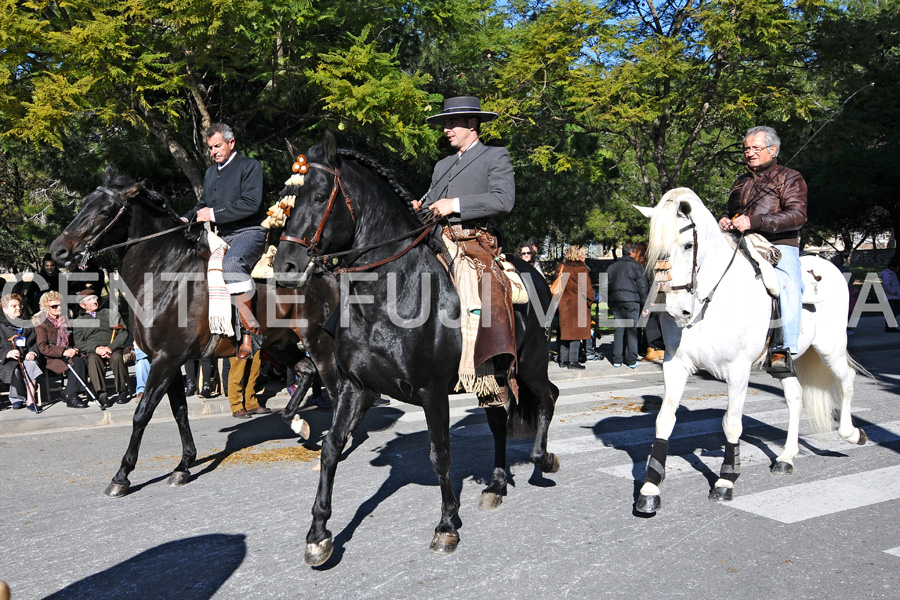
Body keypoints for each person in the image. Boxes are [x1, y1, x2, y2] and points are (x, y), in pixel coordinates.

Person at [412, 95, 516, 407]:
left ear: (473, 124)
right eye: (444, 122)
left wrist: (453, 205)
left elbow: (503, 200)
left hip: (473, 240)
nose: (446, 128)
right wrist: (420, 207)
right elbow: (432, 201)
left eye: (451, 122)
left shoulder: (495, 156)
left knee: (482, 287)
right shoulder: (441, 165)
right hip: (435, 238)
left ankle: (492, 374)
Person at [719, 126, 807, 371]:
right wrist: (724, 219)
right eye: (746, 149)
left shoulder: (790, 177)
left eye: (755, 148)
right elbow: (730, 210)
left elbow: (798, 215)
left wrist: (755, 222)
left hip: (777, 245)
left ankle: (783, 348)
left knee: (788, 285)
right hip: (740, 242)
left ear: (773, 149)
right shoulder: (741, 180)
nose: (749, 153)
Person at [180, 123, 267, 361]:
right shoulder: (210, 173)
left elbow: (251, 203)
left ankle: (249, 331)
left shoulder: (250, 166)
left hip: (249, 232)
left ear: (231, 143)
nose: (213, 152)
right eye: (209, 148)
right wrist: (185, 217)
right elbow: (202, 206)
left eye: (217, 146)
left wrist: (214, 214)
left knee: (231, 266)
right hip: (220, 236)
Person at [71, 289, 129, 408]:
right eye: (89, 300)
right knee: (93, 359)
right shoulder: (79, 321)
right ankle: (101, 394)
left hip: (112, 347)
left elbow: (123, 332)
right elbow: (79, 343)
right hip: (93, 350)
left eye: (94, 298)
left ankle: (122, 391)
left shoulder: (110, 313)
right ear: (82, 305)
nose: (93, 301)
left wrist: (110, 347)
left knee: (117, 357)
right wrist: (96, 349)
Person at [34, 291, 89, 409]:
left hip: (69, 352)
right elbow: (42, 347)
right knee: (78, 362)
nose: (58, 308)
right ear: (46, 308)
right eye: (54, 306)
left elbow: (75, 338)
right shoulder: (41, 323)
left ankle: (68, 392)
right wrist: (63, 351)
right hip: (52, 357)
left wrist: (75, 348)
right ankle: (72, 396)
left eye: (60, 305)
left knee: (86, 360)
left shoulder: (66, 319)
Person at [606, 242, 650, 368]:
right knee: (632, 330)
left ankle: (617, 359)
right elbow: (643, 287)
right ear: (631, 252)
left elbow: (605, 286)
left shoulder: (612, 267)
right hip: (632, 300)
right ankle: (631, 359)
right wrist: (645, 304)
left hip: (616, 300)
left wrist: (609, 302)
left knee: (619, 330)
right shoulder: (636, 267)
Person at [1, 293, 42, 411]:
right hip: (6, 361)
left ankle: (31, 401)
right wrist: (7, 354)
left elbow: (34, 342)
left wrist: (32, 352)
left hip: (26, 356)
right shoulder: (1, 326)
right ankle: (16, 398)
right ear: (5, 309)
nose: (18, 308)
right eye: (14, 306)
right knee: (16, 368)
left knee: (31, 364)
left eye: (19, 306)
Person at [555, 245, 593, 369]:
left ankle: (563, 360)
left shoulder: (562, 268)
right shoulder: (581, 270)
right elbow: (587, 290)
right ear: (578, 256)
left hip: (564, 304)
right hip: (578, 305)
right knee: (576, 335)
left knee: (565, 333)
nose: (585, 256)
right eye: (583, 254)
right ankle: (573, 361)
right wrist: (590, 301)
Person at [227, 350, 271, 419]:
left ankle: (250, 403)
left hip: (253, 340)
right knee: (237, 372)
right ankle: (236, 406)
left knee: (254, 370)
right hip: (238, 341)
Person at [881, 260, 900, 332]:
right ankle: (890, 327)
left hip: (894, 296)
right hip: (891, 296)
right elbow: (886, 285)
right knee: (891, 312)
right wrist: (894, 292)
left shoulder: (892, 274)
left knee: (894, 312)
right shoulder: (888, 275)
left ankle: (891, 326)